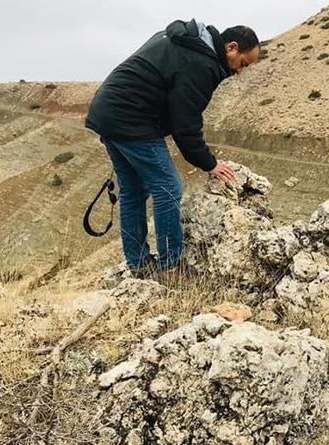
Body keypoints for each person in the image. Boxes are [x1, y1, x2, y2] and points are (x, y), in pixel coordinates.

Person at [85, 19, 260, 276]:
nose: (240, 71)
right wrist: (209, 163)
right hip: (131, 118)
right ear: (231, 48)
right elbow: (185, 124)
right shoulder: (201, 64)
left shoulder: (185, 42)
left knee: (134, 191)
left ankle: (138, 264)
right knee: (169, 188)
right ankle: (170, 267)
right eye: (243, 63)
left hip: (107, 111)